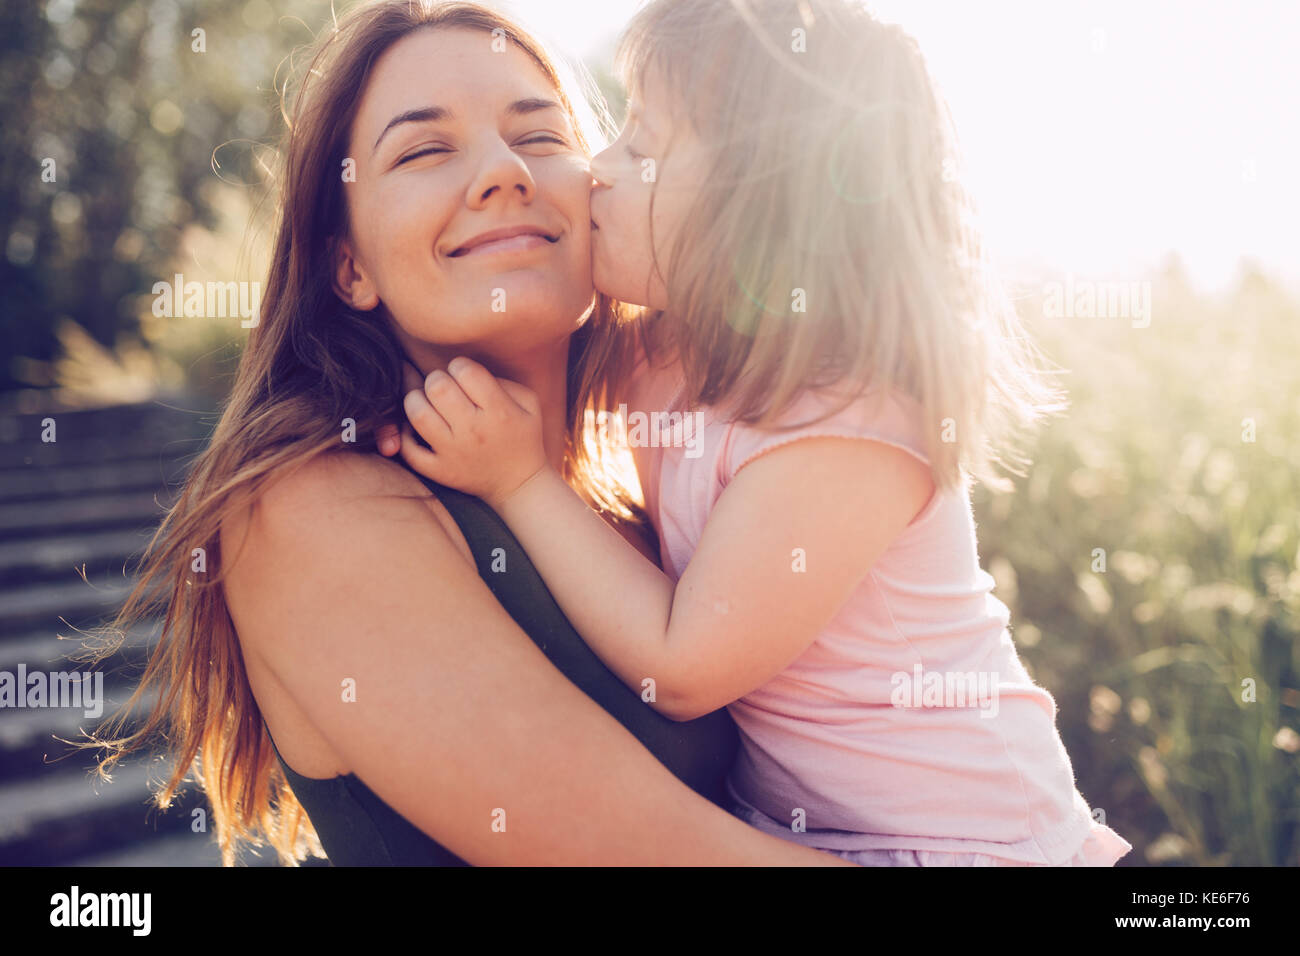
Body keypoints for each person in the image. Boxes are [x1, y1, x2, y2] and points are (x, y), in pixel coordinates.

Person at [84, 0, 849, 867]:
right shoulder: (309, 510)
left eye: (542, 137)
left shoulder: (645, 505)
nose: (502, 172)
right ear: (351, 265)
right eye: (422, 150)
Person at [384, 0, 1132, 867]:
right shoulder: (665, 349)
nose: (598, 171)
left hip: (974, 842)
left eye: (644, 147)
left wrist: (518, 483)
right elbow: (527, 348)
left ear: (759, 213)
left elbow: (684, 665)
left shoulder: (847, 418)